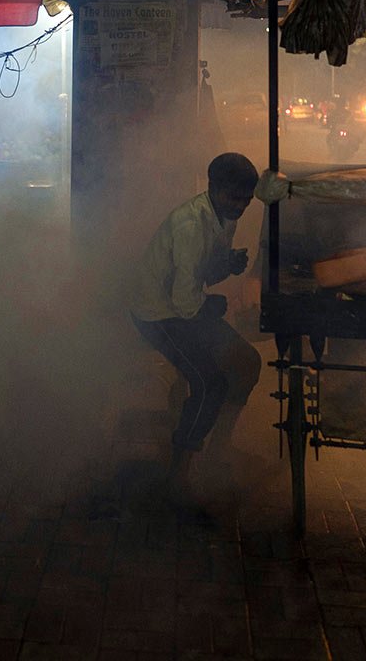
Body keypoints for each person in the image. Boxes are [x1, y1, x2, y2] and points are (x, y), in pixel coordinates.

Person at [130, 152, 263, 503]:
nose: (240, 206)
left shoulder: (224, 217)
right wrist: (213, 305)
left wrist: (228, 266)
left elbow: (204, 272)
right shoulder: (190, 224)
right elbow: (186, 302)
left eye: (247, 200)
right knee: (208, 383)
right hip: (157, 313)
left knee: (247, 364)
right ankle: (179, 474)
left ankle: (219, 450)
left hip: (184, 307)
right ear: (213, 188)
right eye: (234, 197)